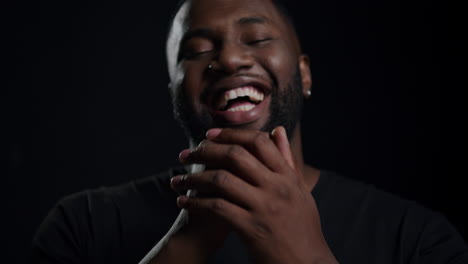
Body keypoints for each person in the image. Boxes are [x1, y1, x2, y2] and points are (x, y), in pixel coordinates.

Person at [31, 0, 468, 263]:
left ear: (304, 74)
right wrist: (190, 242)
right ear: (175, 91)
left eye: (256, 38)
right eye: (198, 50)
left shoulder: (416, 240)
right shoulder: (82, 228)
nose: (230, 60)